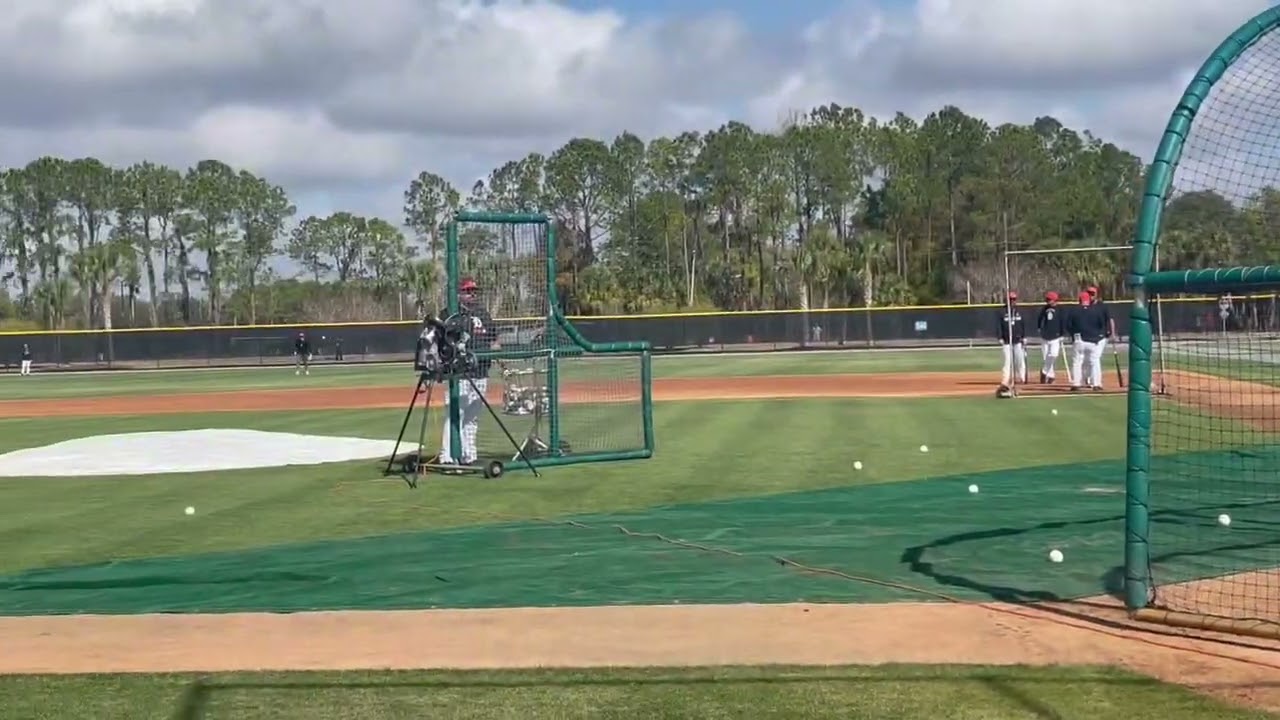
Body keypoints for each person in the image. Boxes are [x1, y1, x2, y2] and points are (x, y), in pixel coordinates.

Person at [439, 277, 500, 466]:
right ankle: (448, 456)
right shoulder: (450, 313)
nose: (472, 294)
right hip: (460, 372)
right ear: (458, 293)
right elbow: (442, 341)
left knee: (472, 417)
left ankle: (469, 455)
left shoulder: (482, 313)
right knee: (455, 414)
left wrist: (496, 351)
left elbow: (495, 338)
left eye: (474, 291)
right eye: (467, 291)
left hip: (481, 370)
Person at [1069, 290, 1108, 391]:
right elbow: (1101, 324)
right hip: (1093, 340)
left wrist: (1073, 335)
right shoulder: (1096, 310)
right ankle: (1097, 384)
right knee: (1094, 361)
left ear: (1080, 300)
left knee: (1077, 362)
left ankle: (1076, 384)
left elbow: (1068, 325)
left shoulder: (1074, 311)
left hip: (1079, 339)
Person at [997, 291, 1027, 394]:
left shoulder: (1019, 311)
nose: (1012, 301)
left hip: (1018, 340)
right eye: (1010, 299)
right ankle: (1005, 380)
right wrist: (1000, 337)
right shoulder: (1002, 311)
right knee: (1007, 361)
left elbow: (1023, 324)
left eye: (1014, 299)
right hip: (1006, 341)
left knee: (1020, 360)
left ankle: (1022, 378)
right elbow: (998, 325)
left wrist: (1024, 336)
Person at [1036, 291, 1067, 384]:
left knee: (1053, 355)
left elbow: (1062, 322)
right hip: (1045, 336)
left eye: (1049, 299)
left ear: (1054, 300)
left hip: (1055, 336)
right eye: (1047, 299)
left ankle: (1044, 371)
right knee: (1046, 357)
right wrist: (1039, 328)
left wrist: (1062, 334)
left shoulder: (1060, 310)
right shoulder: (1045, 309)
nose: (1048, 301)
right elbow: (1040, 319)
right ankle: (1051, 376)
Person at [1086, 285, 1116, 357]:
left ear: (1097, 294)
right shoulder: (1085, 306)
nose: (1090, 295)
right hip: (1088, 336)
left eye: (1092, 293)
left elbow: (1110, 319)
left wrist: (1113, 334)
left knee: (1095, 356)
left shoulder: (1102, 306)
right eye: (1088, 293)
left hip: (1101, 336)